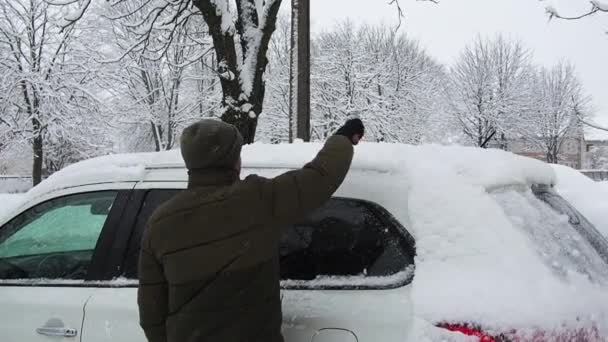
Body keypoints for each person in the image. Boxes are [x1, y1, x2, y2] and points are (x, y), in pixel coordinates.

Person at [137, 118, 365, 342]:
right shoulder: (258, 199)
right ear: (235, 160)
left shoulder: (159, 224)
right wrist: (343, 138)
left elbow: (151, 316)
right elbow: (321, 177)